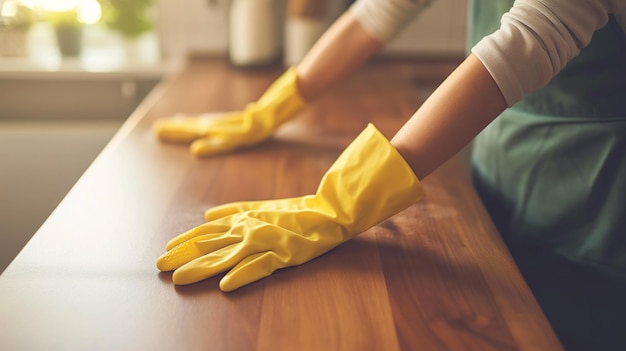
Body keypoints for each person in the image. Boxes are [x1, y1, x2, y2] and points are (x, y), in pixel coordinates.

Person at [154, 1, 626, 349]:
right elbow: (382, 9)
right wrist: (274, 107)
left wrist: (340, 204)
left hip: (593, 196)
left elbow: (534, 36)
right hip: (504, 160)